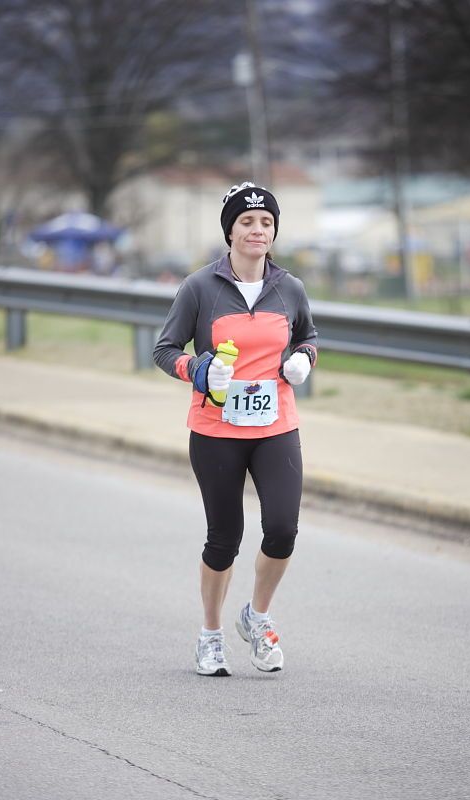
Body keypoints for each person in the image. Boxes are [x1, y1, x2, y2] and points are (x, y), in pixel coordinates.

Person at [153, 181, 317, 676]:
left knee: (283, 529)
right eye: (247, 221)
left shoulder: (289, 287)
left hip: (275, 426)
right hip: (216, 428)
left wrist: (302, 362)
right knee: (224, 538)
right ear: (230, 230)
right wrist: (199, 370)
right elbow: (164, 350)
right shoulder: (200, 287)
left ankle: (257, 616)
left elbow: (307, 335)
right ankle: (210, 634)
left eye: (266, 222)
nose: (257, 229)